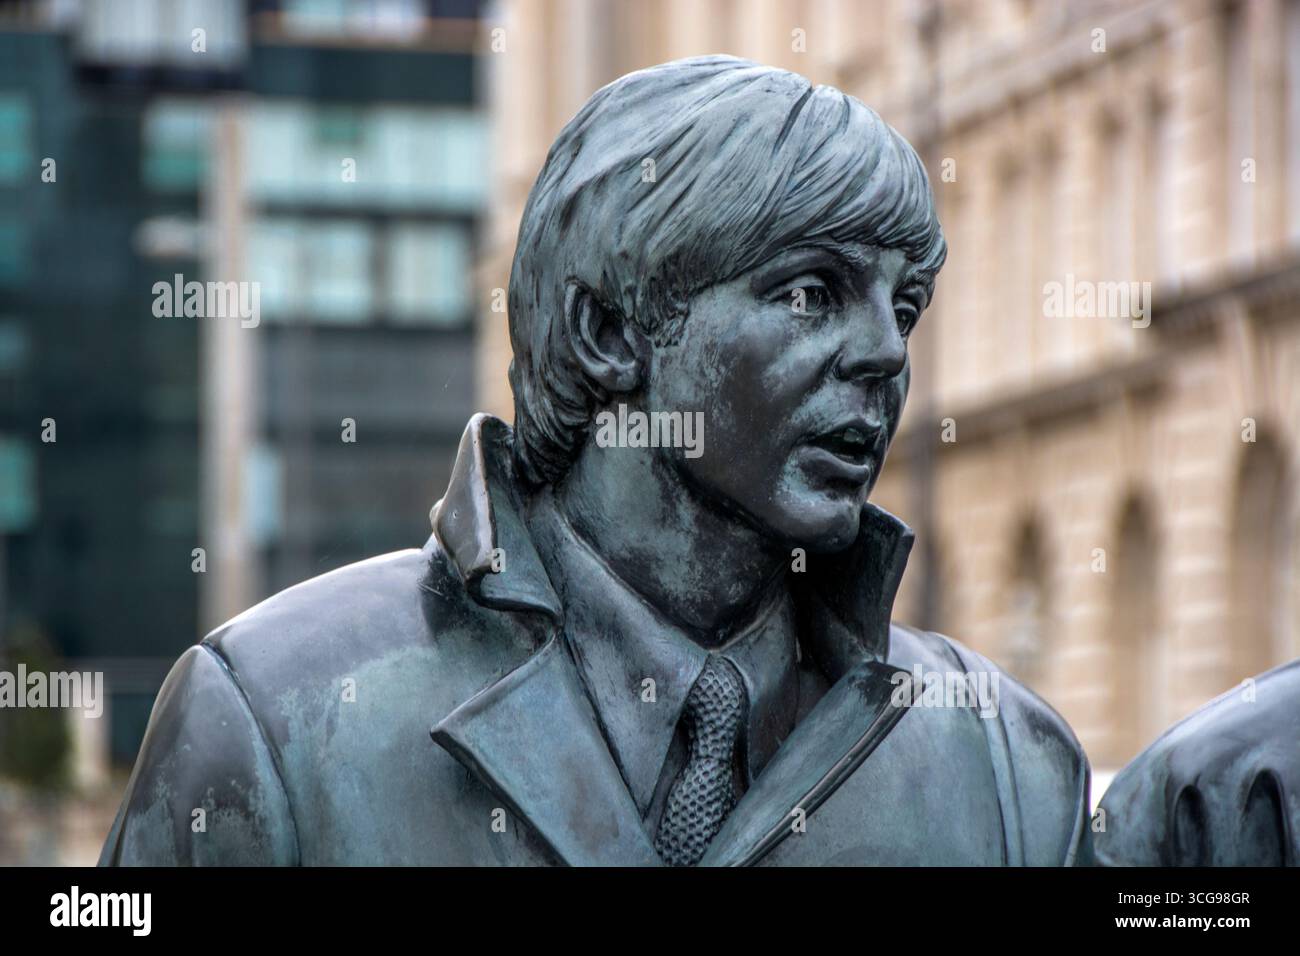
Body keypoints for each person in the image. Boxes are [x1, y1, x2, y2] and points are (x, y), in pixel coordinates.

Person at [101, 55, 1089, 866]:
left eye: (902, 305)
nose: (884, 353)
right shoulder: (271, 723)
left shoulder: (1004, 765)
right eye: (811, 294)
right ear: (610, 329)